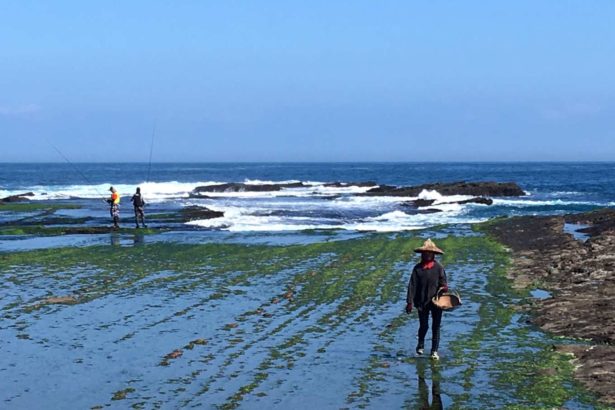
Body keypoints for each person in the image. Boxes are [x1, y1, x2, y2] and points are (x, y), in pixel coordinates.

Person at [406, 239, 448, 360]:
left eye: (430, 253)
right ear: (422, 254)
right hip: (421, 301)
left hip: (436, 302)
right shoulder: (417, 269)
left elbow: (443, 282)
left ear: (434, 254)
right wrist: (409, 302)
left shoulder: (439, 268)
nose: (427, 255)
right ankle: (420, 345)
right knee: (424, 325)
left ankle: (434, 351)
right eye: (425, 253)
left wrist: (444, 287)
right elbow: (412, 285)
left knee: (436, 326)